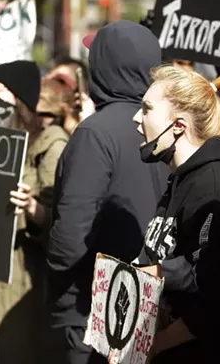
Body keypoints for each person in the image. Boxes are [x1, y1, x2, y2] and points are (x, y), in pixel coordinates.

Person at [46, 20, 170, 364]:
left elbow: (71, 233)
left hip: (92, 310)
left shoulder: (95, 134)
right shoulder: (168, 126)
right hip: (146, 305)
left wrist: (57, 283)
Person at [129, 64, 220, 364]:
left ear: (178, 126)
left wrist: (157, 344)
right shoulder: (182, 178)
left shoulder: (212, 188)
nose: (137, 118)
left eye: (147, 109)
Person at [0, 60, 68, 364]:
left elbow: (59, 219)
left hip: (22, 275)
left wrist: (32, 208)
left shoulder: (51, 144)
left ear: (20, 97)